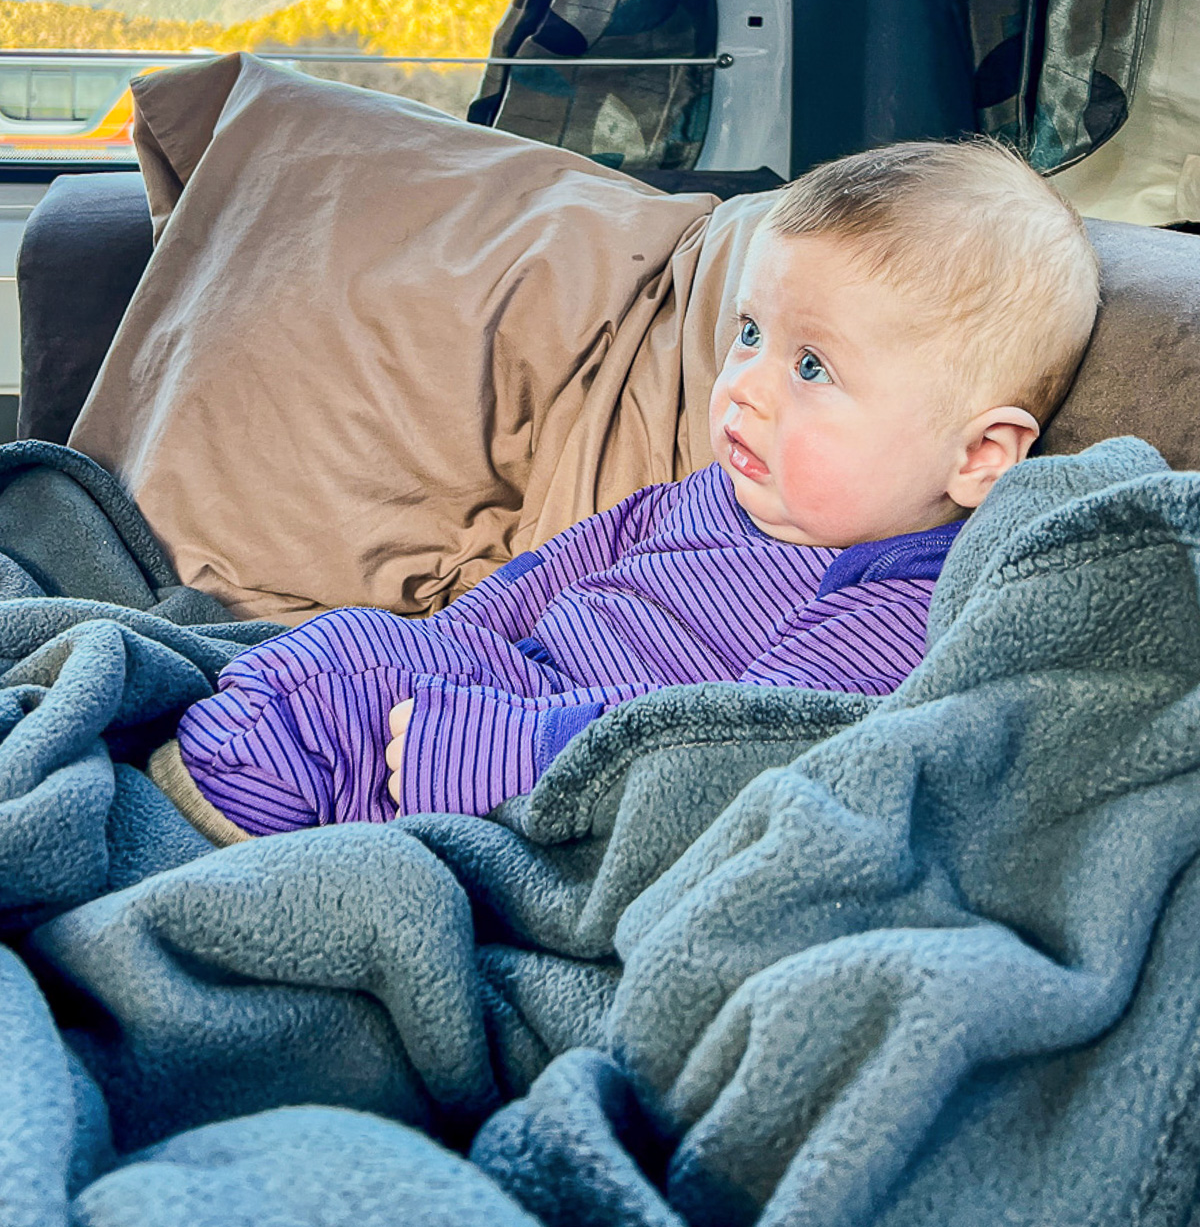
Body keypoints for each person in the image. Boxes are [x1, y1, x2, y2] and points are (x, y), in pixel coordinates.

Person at [173, 138, 1100, 833]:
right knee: (344, 642)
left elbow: (741, 749)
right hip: (510, 678)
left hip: (587, 768)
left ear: (978, 457)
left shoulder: (897, 592)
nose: (743, 386)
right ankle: (221, 766)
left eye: (812, 367)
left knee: (354, 724)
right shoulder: (715, 491)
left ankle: (236, 817)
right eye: (748, 336)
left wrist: (520, 751)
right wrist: (445, 646)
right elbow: (549, 577)